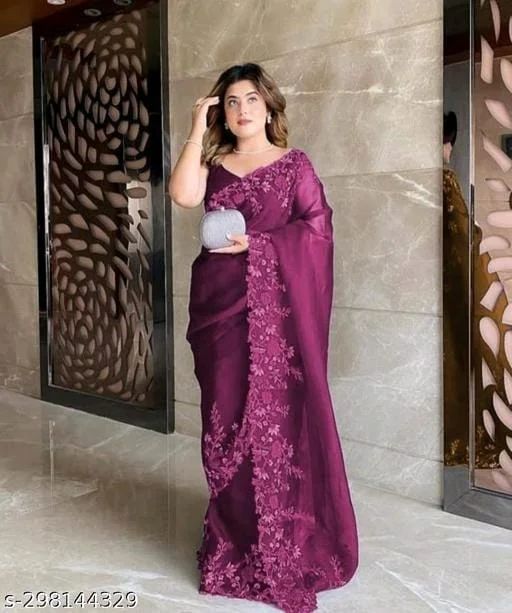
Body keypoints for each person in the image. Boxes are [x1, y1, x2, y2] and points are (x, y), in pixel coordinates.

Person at [168, 63, 358, 613]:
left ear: (269, 105)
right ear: (222, 113)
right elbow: (183, 196)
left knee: (274, 423)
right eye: (231, 102)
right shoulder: (213, 163)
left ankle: (280, 537)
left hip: (274, 314)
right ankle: (232, 538)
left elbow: (317, 230)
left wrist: (259, 245)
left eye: (251, 98)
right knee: (223, 420)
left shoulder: (294, 165)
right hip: (218, 311)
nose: (242, 109)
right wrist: (196, 127)